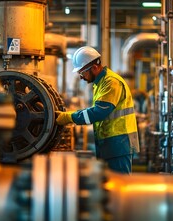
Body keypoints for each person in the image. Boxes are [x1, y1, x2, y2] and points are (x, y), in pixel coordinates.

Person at [55, 46, 139, 174]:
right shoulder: (101, 83)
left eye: (82, 73)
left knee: (119, 188)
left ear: (94, 68)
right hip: (110, 145)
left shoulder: (111, 82)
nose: (81, 77)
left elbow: (98, 113)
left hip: (118, 144)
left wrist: (69, 117)